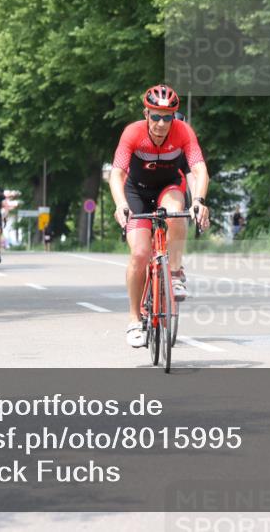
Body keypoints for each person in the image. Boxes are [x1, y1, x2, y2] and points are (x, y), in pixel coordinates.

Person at [110, 84, 211, 348]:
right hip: (136, 192)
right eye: (155, 116)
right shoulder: (132, 133)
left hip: (168, 187)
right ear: (146, 113)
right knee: (140, 254)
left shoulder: (183, 132)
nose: (161, 123)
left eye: (168, 118)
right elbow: (117, 173)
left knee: (176, 214)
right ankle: (134, 319)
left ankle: (174, 273)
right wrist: (120, 204)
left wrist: (199, 201)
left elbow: (199, 170)